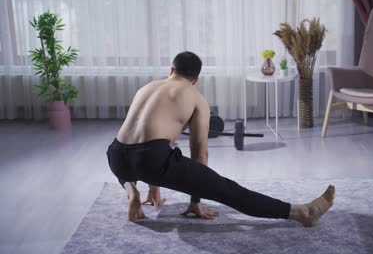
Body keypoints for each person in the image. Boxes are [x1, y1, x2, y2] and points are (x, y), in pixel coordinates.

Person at [106, 51, 335, 226]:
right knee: (228, 189)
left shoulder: (147, 88)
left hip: (116, 157)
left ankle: (131, 190)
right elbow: (200, 153)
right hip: (151, 160)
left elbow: (141, 139)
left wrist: (153, 188)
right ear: (196, 79)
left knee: (138, 157)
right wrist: (196, 199)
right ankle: (302, 213)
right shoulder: (196, 98)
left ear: (171, 69)